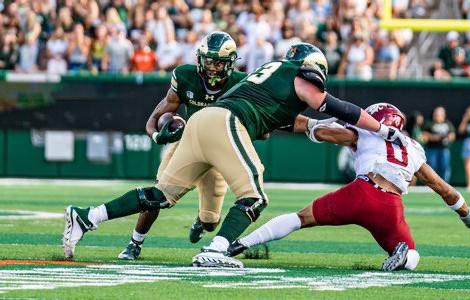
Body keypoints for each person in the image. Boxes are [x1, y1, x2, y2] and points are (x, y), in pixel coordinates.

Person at [63, 43, 406, 267]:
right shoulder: (297, 75)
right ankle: (217, 249)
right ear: (311, 68)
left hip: (203, 123)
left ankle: (86, 216)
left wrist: (330, 130)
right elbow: (332, 105)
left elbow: (300, 121)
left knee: (160, 195)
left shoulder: (270, 80)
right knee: (254, 196)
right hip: (225, 122)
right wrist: (380, 129)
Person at [227, 103, 470, 271]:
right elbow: (444, 189)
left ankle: (241, 243)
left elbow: (323, 132)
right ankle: (403, 257)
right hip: (390, 207)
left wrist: (296, 125)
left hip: (362, 192)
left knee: (300, 218)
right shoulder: (414, 149)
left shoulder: (365, 131)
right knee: (412, 256)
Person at [115, 31, 248, 260]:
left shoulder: (241, 84)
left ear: (230, 64)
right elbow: (160, 114)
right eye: (208, 61)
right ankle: (134, 243)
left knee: (210, 223)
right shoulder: (186, 76)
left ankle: (201, 220)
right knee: (156, 193)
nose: (212, 68)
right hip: (188, 144)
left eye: (218, 62)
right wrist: (160, 132)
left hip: (218, 153)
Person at [423, 106, 455, 183]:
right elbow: (425, 136)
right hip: (432, 149)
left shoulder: (447, 123)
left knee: (445, 167)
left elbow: (452, 134)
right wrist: (436, 137)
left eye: (440, 114)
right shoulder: (429, 123)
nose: (437, 115)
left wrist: (448, 138)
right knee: (431, 168)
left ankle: (445, 184)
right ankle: (431, 184)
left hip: (444, 149)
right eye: (436, 114)